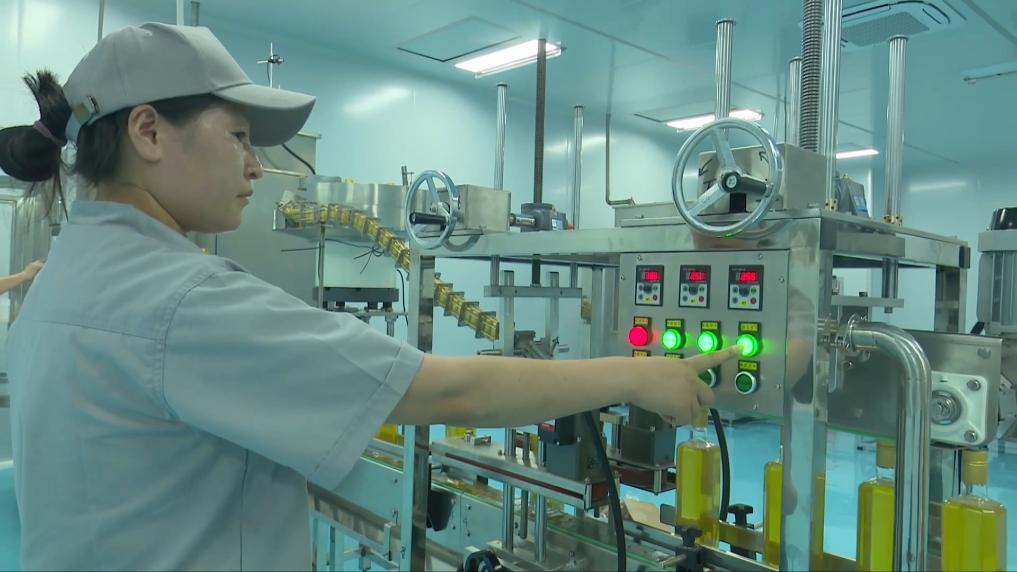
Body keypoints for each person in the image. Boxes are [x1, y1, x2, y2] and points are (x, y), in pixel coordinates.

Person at [0, 23, 739, 571]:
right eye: (240, 137)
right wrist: (633, 374)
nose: (256, 167)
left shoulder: (60, 280)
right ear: (149, 131)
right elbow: (443, 390)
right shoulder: (178, 299)